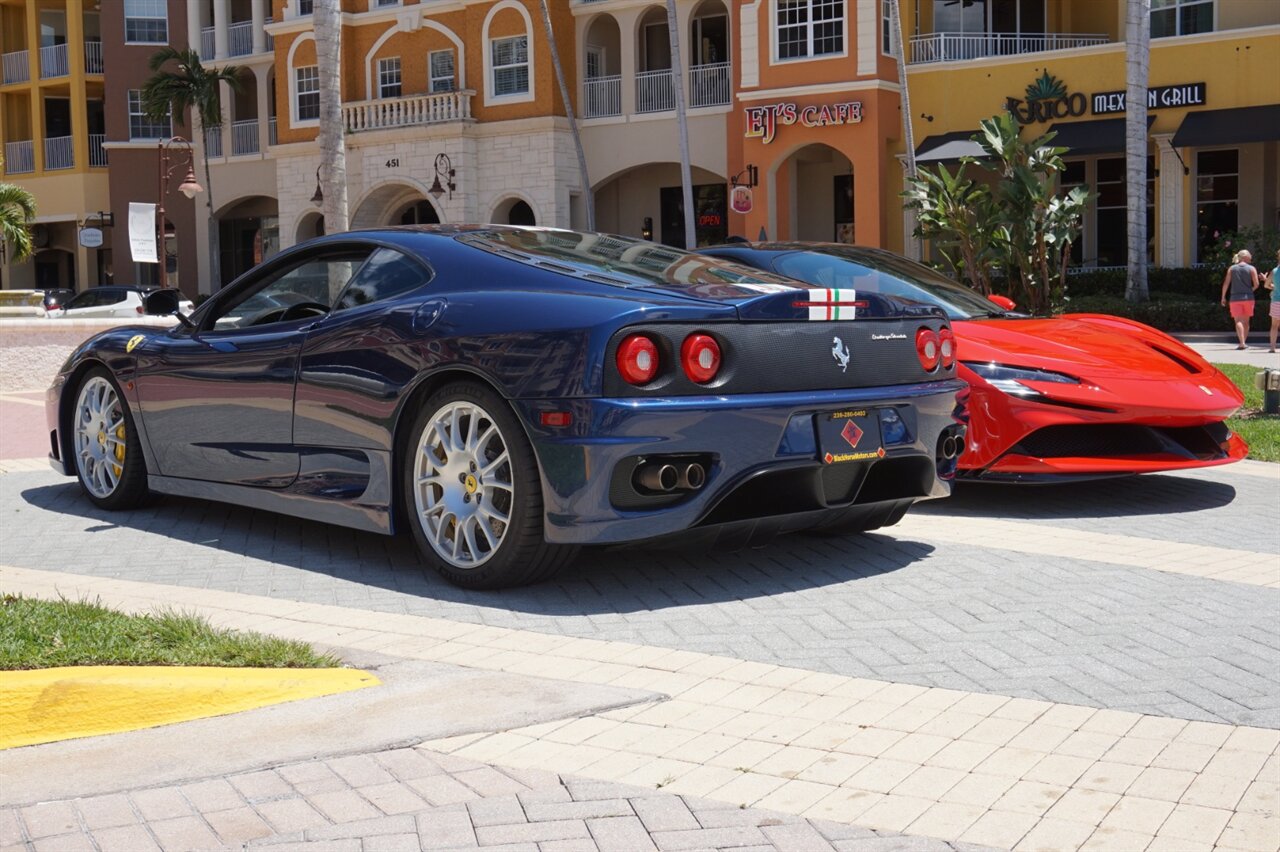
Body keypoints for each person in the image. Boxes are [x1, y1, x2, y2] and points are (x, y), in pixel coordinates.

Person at [1220, 249, 1259, 350]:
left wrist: (1223, 296)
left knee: (1238, 321)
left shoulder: (1232, 268)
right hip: (1248, 298)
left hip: (1235, 298)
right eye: (1250, 256)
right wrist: (1250, 291)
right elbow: (1257, 284)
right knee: (1246, 322)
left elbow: (1226, 283)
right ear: (1245, 257)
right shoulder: (1251, 268)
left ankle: (1241, 342)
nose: (1251, 257)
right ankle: (1243, 342)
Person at [1264, 249, 1279, 354]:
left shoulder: (1274, 271)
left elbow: (1266, 285)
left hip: (1276, 301)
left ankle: (1272, 348)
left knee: (1274, 326)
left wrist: (1274, 287)